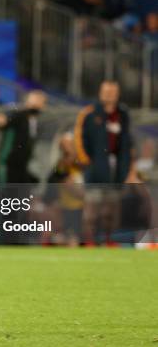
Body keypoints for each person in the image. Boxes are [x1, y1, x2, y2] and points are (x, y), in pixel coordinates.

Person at [74, 80, 132, 245]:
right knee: (92, 210)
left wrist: (127, 167)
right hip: (95, 169)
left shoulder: (122, 114)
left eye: (112, 92)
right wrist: (87, 163)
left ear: (117, 94)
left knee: (111, 210)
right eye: (106, 92)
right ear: (100, 92)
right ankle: (89, 241)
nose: (109, 95)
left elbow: (127, 143)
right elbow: (79, 140)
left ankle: (109, 240)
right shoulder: (89, 113)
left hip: (116, 170)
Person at [0, 90, 47, 183]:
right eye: (37, 101)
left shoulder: (37, 120)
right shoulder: (20, 116)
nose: (41, 105)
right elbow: (5, 124)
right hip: (14, 160)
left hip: (25, 162)